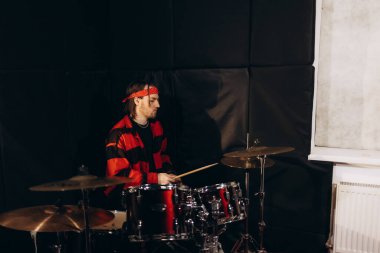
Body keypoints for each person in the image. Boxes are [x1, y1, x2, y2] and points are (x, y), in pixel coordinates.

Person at [104, 81, 178, 200]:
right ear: (137, 101)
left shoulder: (157, 127)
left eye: (157, 100)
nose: (158, 105)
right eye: (152, 100)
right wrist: (156, 178)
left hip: (156, 193)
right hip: (130, 199)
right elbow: (119, 176)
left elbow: (163, 156)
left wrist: (170, 174)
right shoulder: (118, 134)